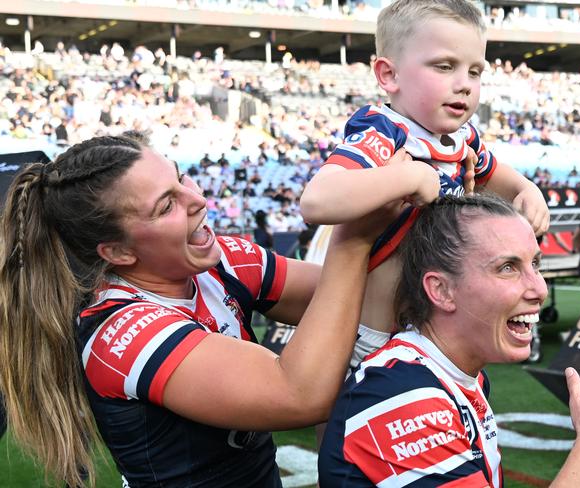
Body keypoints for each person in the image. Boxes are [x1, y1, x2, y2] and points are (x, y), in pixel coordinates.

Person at [0, 133, 402, 487]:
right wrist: (353, 237)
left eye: (180, 178)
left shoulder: (221, 262)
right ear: (118, 252)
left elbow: (357, 297)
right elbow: (300, 393)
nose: (198, 199)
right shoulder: (122, 331)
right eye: (166, 206)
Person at [318, 194, 580, 487]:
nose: (540, 289)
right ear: (441, 290)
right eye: (507, 267)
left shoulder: (454, 374)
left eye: (536, 263)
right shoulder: (405, 398)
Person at [300, 0, 549, 365]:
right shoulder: (384, 132)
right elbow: (317, 200)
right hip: (377, 337)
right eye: (444, 66)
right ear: (389, 75)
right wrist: (406, 176)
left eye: (475, 71)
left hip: (433, 331)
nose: (464, 85)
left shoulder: (463, 138)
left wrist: (529, 192)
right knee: (355, 414)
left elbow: (503, 179)